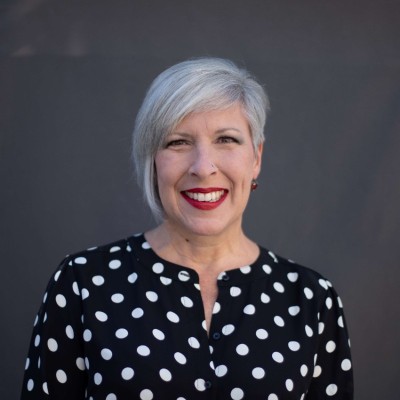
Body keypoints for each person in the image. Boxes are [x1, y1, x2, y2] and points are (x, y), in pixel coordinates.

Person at [21, 57, 353, 400]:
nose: (203, 167)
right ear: (152, 160)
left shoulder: (312, 299)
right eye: (178, 142)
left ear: (256, 158)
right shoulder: (83, 284)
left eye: (226, 139)